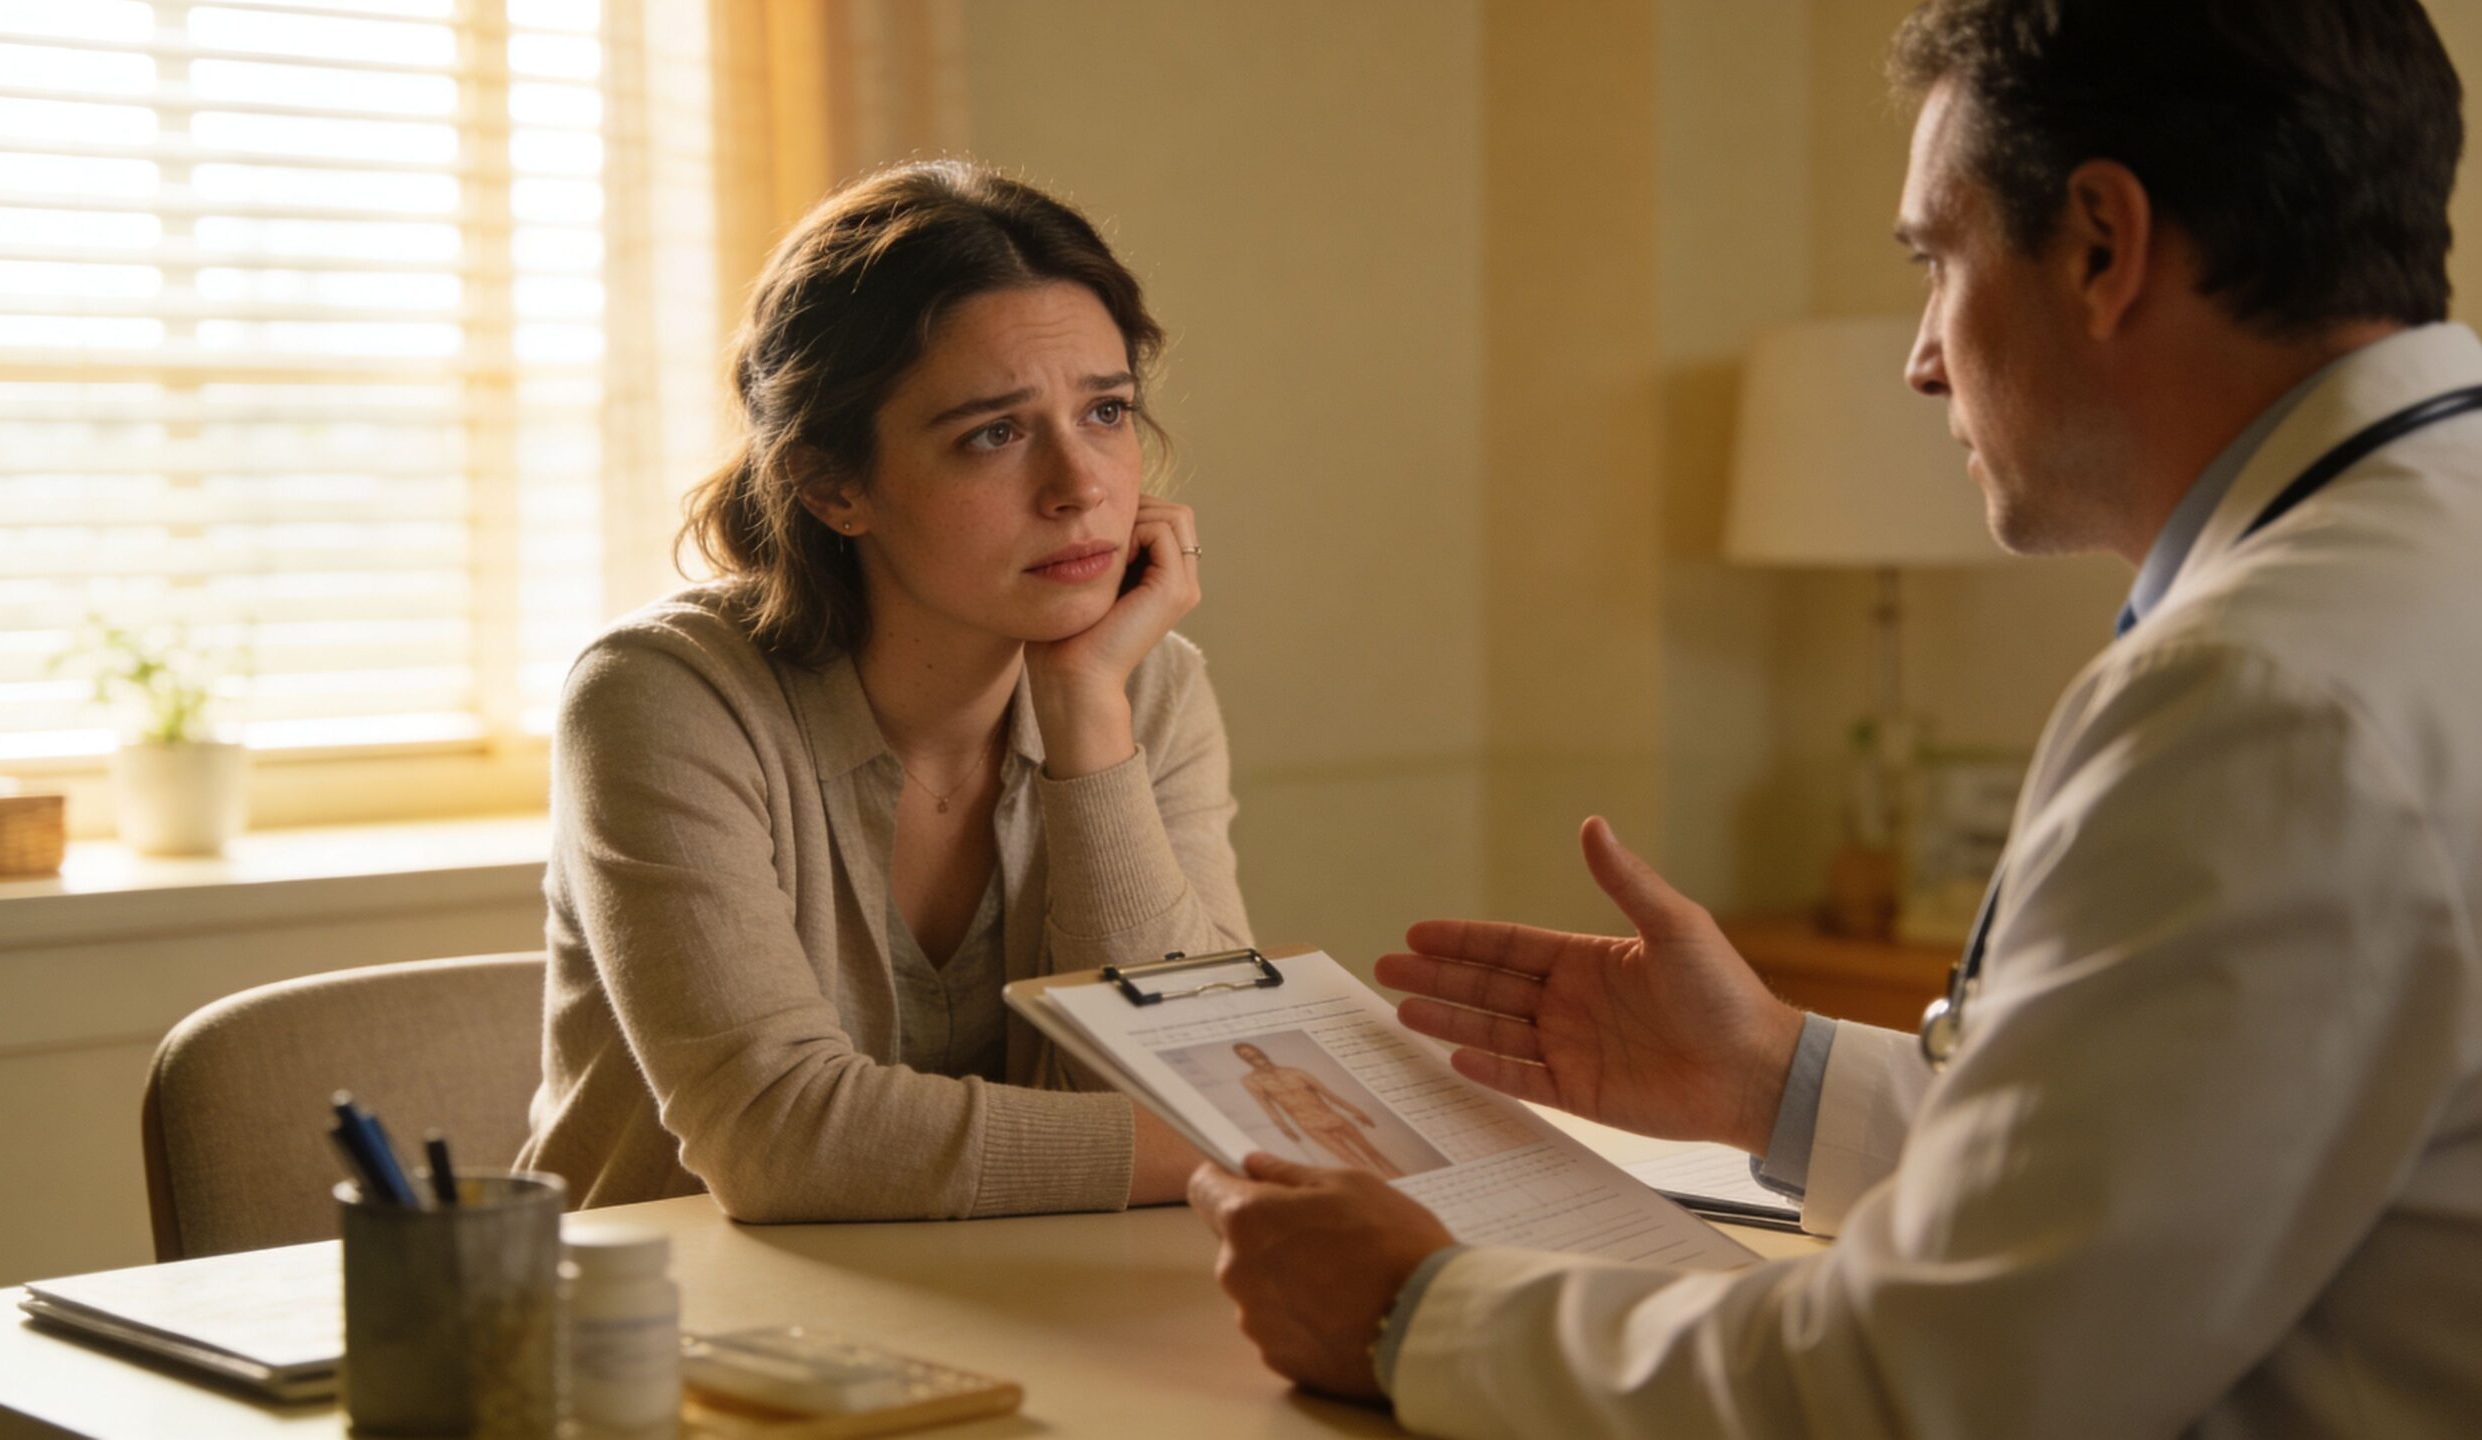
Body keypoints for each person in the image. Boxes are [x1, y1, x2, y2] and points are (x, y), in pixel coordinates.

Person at [1189, 1, 2482, 1434]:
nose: (1925, 356)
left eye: (1938, 259)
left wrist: (1414, 1313)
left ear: (2103, 246)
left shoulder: (2263, 695)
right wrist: (1772, 1079)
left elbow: (1958, 1385)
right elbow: (2179, 1170)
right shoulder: (2409, 580)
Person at [518, 160, 1248, 1221]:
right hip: (673, 1344)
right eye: (994, 433)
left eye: (1105, 412)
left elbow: (1191, 1062)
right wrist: (1221, 1145)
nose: (1080, 485)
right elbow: (778, 1137)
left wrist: (1088, 709)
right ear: (832, 484)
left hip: (1041, 1309)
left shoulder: (1149, 687)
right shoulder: (660, 699)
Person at [1233, 1042, 1403, 1179]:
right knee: (1352, 1161)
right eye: (1246, 1055)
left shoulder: (1294, 1072)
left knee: (1372, 1153)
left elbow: (1328, 1094)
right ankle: (1385, 1194)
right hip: (1309, 1124)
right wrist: (1284, 1127)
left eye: (1253, 1052)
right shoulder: (1251, 1081)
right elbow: (1267, 1106)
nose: (1253, 1056)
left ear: (1261, 1051)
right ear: (1244, 1060)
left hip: (1332, 1117)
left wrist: (1356, 1111)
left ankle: (1402, 1182)